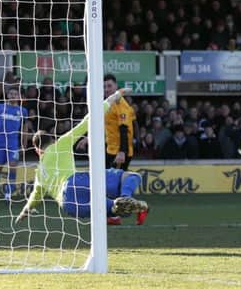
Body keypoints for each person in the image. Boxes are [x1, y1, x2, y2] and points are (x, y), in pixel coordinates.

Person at [15, 88, 149, 226]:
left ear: (37, 151)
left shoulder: (39, 173)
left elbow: (35, 197)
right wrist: (115, 96)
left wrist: (25, 210)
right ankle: (126, 197)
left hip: (68, 205)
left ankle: (119, 205)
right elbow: (87, 121)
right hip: (75, 183)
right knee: (131, 177)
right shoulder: (60, 144)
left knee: (113, 208)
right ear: (53, 140)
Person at [0, 87, 29, 204]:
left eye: (15, 94)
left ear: (19, 96)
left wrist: (24, 143)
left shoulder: (22, 111)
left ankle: (8, 195)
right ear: (7, 95)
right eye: (11, 93)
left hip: (13, 143)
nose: (13, 95)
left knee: (13, 166)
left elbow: (25, 127)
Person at [103, 73, 138, 170]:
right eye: (104, 86)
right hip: (110, 150)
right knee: (107, 181)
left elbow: (124, 129)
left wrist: (123, 152)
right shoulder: (108, 104)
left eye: (109, 86)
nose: (106, 89)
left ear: (116, 86)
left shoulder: (121, 105)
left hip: (119, 152)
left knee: (114, 182)